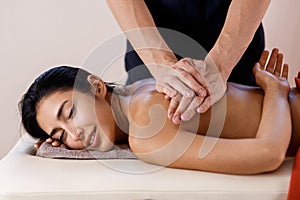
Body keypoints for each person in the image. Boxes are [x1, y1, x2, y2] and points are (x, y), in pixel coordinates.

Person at [19, 49, 299, 175]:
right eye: (59, 134)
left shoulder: (145, 131)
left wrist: (276, 91)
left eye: (70, 112)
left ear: (96, 87)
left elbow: (268, 155)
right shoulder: (141, 88)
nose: (74, 133)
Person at [106, 0, 270, 124]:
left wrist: (220, 65)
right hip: (152, 70)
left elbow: (268, 152)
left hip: (236, 65)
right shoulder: (146, 116)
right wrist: (161, 64)